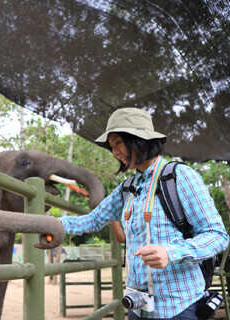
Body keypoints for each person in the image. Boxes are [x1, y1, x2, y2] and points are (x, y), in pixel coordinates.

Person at [59, 108, 229, 319]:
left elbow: (218, 236)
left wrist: (171, 253)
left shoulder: (180, 176)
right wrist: (55, 225)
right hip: (138, 307)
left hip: (179, 306)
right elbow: (94, 220)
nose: (114, 153)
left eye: (118, 143)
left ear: (139, 139)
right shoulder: (126, 188)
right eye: (111, 147)